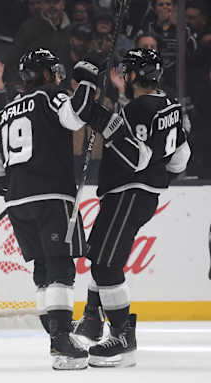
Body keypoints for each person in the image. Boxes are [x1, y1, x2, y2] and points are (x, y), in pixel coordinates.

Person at [0, 47, 121, 370]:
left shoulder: (7, 108)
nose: (58, 77)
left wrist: (8, 185)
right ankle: (60, 339)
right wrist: (86, 79)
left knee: (43, 267)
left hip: (18, 200)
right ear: (46, 73)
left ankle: (54, 330)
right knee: (60, 266)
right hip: (51, 194)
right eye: (54, 72)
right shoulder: (49, 96)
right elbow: (75, 117)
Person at [73, 48, 191, 367]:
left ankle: (123, 338)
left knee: (106, 266)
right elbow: (181, 158)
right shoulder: (170, 105)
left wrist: (105, 122)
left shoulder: (137, 108)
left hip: (128, 192)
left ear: (135, 75)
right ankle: (93, 320)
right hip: (138, 194)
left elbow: (138, 158)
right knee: (100, 253)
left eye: (128, 71)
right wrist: (157, 179)